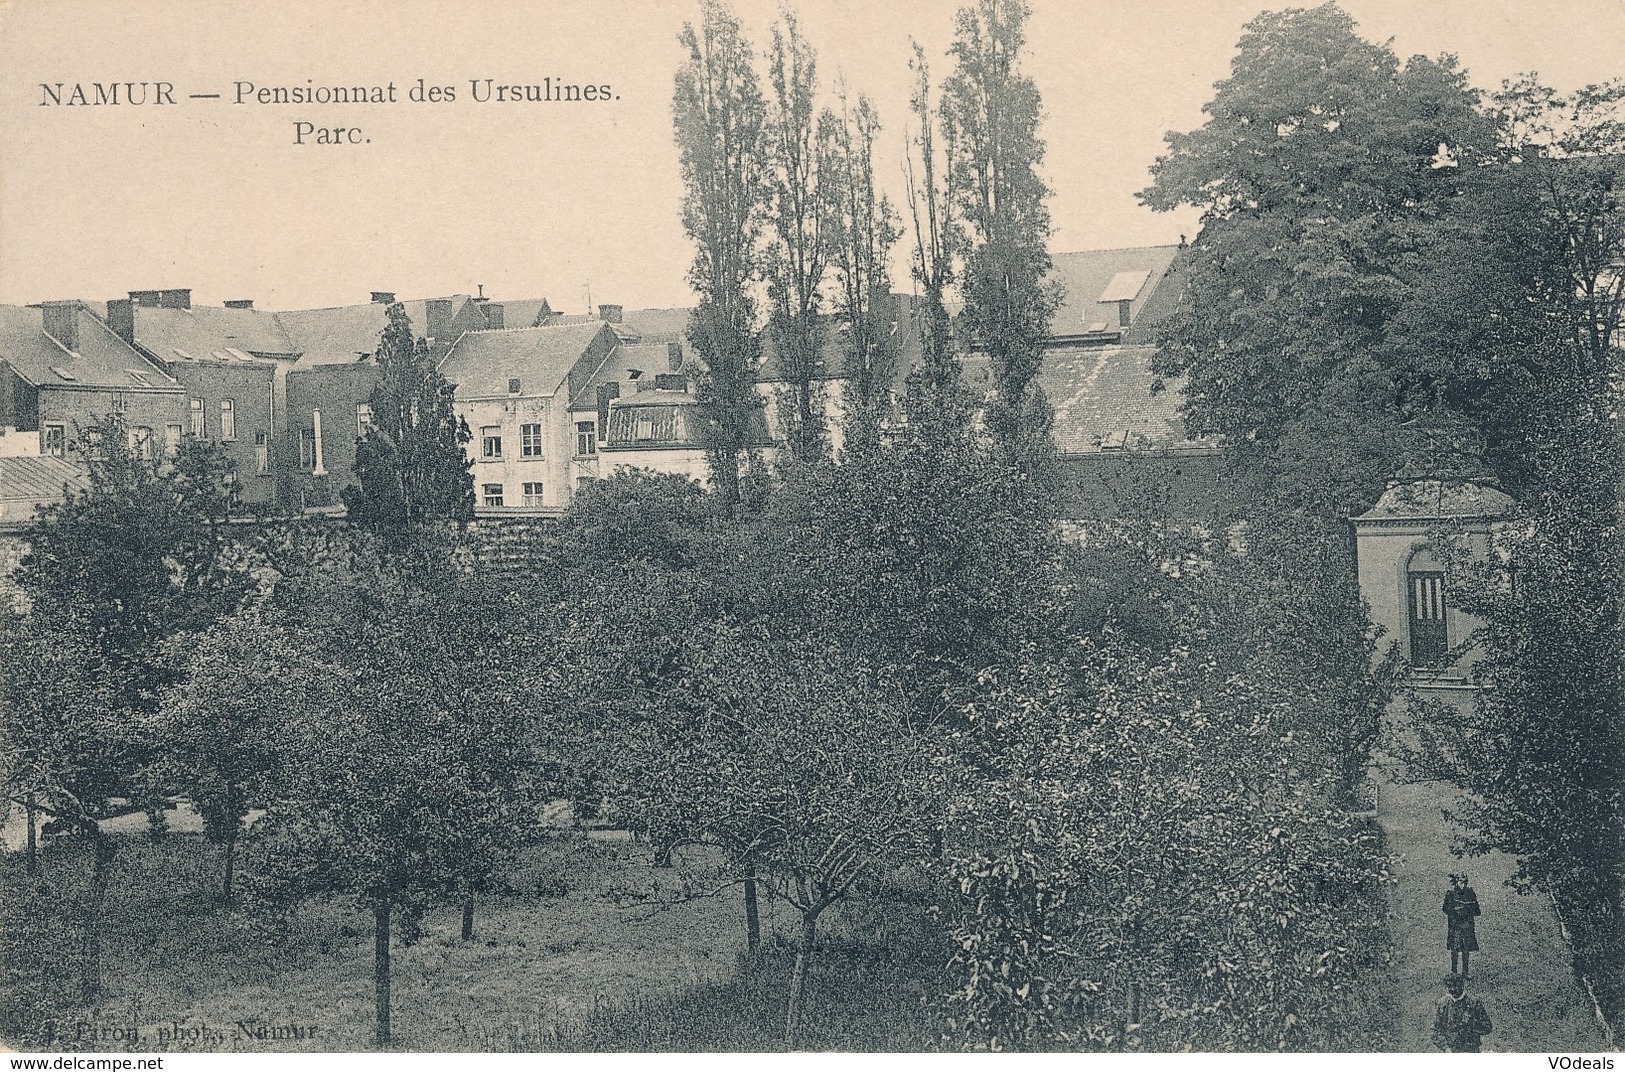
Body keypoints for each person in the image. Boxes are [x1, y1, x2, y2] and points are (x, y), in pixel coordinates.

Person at [1433, 973, 1493, 1052]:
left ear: (1462, 985)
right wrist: (1445, 1048)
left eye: (1455, 986)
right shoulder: (1443, 1004)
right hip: (1450, 1050)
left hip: (1470, 1049)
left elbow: (1487, 1027)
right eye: (1449, 987)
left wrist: (1470, 1026)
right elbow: (1436, 1030)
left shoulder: (1474, 1003)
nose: (1452, 989)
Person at [1443, 873, 1482, 977]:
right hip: (1455, 925)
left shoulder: (1470, 892)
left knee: (1466, 949)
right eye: (1460, 881)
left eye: (1464, 882)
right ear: (1456, 882)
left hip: (1467, 924)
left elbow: (1477, 910)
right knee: (1454, 949)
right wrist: (1455, 911)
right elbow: (1445, 908)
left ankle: (1465, 972)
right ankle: (1454, 972)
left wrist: (1468, 909)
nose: (1462, 884)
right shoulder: (1450, 893)